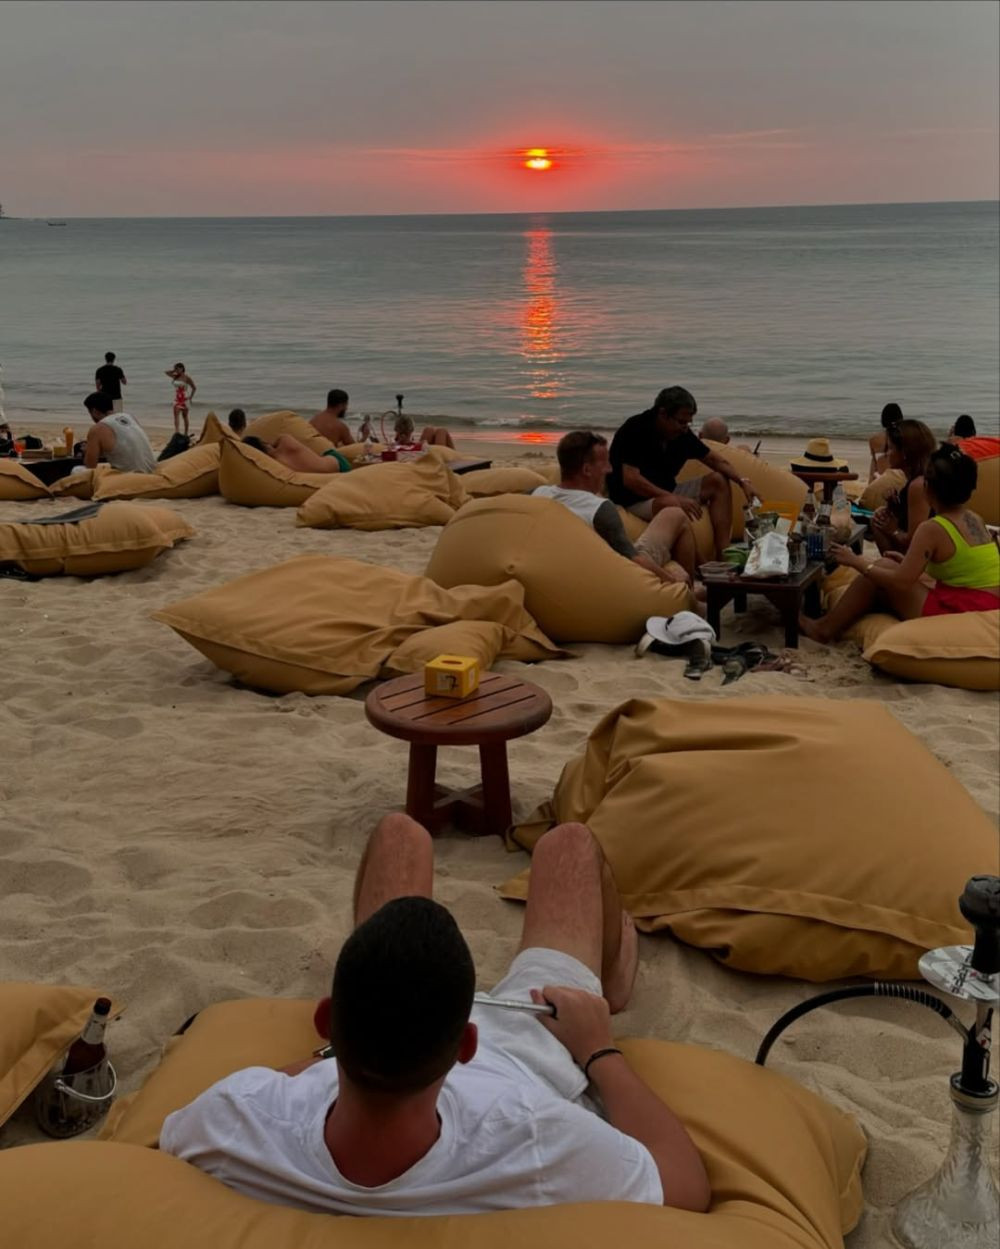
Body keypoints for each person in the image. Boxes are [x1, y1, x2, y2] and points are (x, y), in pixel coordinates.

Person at [160, 813, 710, 1215]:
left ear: (327, 1021)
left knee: (399, 833)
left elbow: (169, 1142)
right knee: (569, 844)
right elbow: (685, 1186)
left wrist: (327, 1058)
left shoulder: (239, 1118)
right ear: (466, 1045)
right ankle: (613, 984)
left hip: (376, 1048)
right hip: (530, 1051)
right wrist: (599, 1048)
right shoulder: (535, 1139)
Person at [801, 445, 998, 643]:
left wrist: (856, 561)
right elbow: (962, 569)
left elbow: (901, 583)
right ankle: (835, 620)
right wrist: (907, 562)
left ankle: (823, 629)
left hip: (962, 610)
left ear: (927, 487)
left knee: (874, 577)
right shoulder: (974, 518)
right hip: (986, 604)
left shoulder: (933, 528)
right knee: (886, 566)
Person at [608, 386, 754, 560]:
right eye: (681, 422)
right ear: (663, 414)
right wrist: (674, 498)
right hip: (633, 499)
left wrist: (742, 481)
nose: (685, 428)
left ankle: (724, 554)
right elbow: (631, 479)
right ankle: (698, 564)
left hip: (667, 490)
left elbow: (715, 460)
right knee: (670, 504)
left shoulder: (681, 434)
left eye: (688, 423)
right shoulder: (635, 429)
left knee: (718, 480)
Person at [534, 431, 696, 584]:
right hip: (617, 574)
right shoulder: (598, 508)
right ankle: (689, 593)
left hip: (560, 569)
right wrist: (673, 582)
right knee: (675, 514)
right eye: (604, 463)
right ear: (586, 470)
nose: (610, 469)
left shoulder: (537, 494)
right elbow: (633, 560)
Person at [871, 419, 937, 555]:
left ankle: (893, 565)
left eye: (891, 448)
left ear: (905, 453)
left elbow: (916, 542)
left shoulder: (919, 485)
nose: (886, 453)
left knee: (876, 522)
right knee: (877, 518)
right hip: (920, 551)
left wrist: (893, 530)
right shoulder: (918, 478)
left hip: (922, 557)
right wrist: (894, 506)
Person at [80, 392, 156, 473]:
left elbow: (90, 465)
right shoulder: (130, 417)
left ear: (94, 411)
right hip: (152, 471)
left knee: (77, 470)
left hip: (130, 475)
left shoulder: (97, 429)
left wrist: (88, 451)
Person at [243, 434, 350, 474]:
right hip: (339, 462)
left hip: (334, 470)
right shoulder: (284, 440)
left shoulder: (274, 466)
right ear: (264, 442)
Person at [868, 402, 903, 480]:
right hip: (900, 479)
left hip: (881, 480)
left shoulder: (873, 439)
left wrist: (871, 484)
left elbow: (874, 467)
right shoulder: (906, 436)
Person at [165, 363, 196, 436]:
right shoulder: (175, 376)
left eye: (177, 368)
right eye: (175, 369)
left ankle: (186, 433)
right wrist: (174, 370)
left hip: (185, 399)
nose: (176, 370)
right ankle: (177, 432)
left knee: (185, 417)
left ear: (182, 368)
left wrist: (191, 397)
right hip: (177, 399)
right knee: (176, 415)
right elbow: (166, 372)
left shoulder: (187, 378)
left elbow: (194, 388)